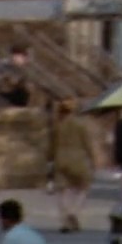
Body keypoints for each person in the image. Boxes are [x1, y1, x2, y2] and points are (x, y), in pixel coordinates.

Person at [49, 99, 96, 233]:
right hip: (78, 159)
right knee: (82, 188)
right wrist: (92, 161)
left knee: (62, 191)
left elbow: (51, 147)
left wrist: (50, 160)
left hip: (60, 159)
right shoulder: (81, 125)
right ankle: (74, 211)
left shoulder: (57, 127)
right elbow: (87, 145)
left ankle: (65, 220)